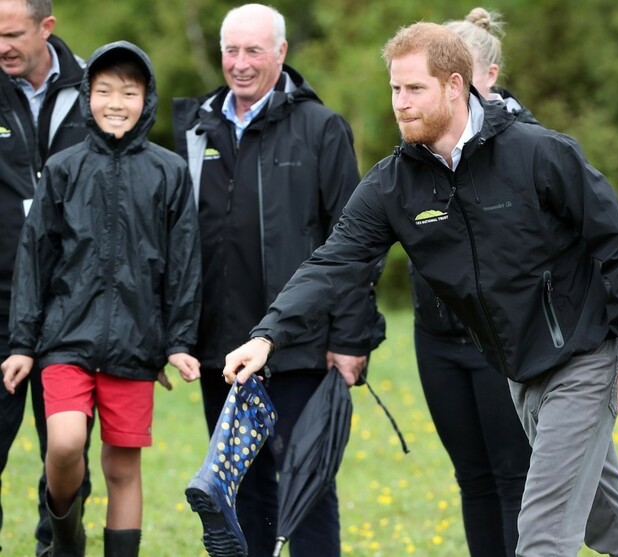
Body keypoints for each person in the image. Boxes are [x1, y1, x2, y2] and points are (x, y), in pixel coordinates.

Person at [223, 22, 618, 557]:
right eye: (395, 89)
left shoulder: (537, 153)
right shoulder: (394, 185)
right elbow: (332, 263)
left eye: (415, 89)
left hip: (584, 355)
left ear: (455, 86)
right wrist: (267, 336)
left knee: (543, 533)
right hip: (520, 372)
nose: (401, 103)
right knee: (607, 524)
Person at [172, 4, 382, 556]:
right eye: (231, 51)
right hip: (223, 351)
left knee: (308, 489)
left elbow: (355, 245)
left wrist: (350, 339)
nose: (240, 64)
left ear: (282, 53)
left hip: (301, 350)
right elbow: (177, 241)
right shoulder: (197, 128)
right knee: (236, 490)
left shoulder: (322, 128)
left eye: (254, 51)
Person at [1, 41, 201, 555]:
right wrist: (23, 342)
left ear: (147, 99)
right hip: (64, 339)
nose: (116, 102)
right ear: (87, 96)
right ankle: (67, 535)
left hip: (136, 346)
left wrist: (178, 341)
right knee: (65, 443)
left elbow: (183, 264)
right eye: (105, 90)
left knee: (120, 466)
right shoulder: (64, 169)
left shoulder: (169, 172)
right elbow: (34, 257)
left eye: (129, 92)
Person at [404, 8, 536, 556]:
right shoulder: (414, 154)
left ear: (489, 75)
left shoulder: (528, 145)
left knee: (513, 478)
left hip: (502, 340)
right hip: (436, 337)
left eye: (463, 76)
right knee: (472, 478)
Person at [0, 0, 91, 554]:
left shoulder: (95, 90)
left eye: (12, 34)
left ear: (46, 28)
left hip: (71, 311)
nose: (2, 46)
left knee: (66, 456)